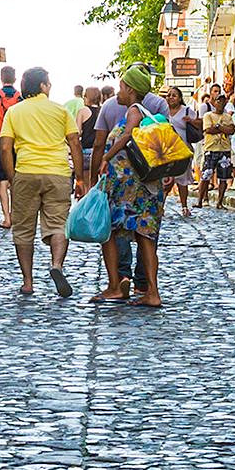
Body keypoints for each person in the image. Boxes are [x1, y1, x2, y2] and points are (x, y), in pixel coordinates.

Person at [0, 67, 78, 297]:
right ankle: (56, 265)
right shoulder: (60, 110)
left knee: (23, 229)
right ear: (42, 86)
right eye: (48, 83)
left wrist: (12, 177)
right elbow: (73, 142)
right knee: (58, 224)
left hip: (26, 171)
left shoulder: (14, 112)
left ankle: (28, 281)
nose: (50, 86)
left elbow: (5, 146)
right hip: (58, 173)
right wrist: (81, 178)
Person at [95, 81, 168, 307]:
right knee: (146, 237)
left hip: (130, 189)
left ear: (131, 90)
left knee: (109, 232)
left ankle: (116, 286)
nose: (118, 92)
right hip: (143, 187)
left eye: (122, 87)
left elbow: (127, 135)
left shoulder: (134, 110)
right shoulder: (142, 112)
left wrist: (106, 158)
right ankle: (151, 292)